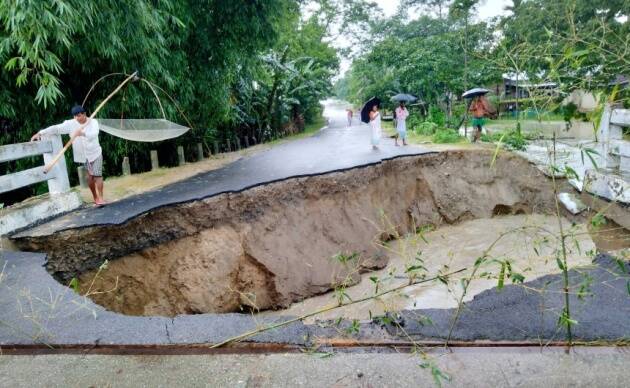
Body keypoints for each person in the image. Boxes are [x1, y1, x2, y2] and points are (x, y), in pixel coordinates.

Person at [31, 105, 106, 206]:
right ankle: (95, 197)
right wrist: (41, 133)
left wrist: (82, 133)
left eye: (79, 116)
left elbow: (94, 134)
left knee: (97, 175)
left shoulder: (93, 122)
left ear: (84, 114)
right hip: (84, 156)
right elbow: (57, 128)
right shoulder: (71, 124)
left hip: (95, 153)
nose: (76, 118)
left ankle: (101, 198)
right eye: (75, 116)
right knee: (89, 178)